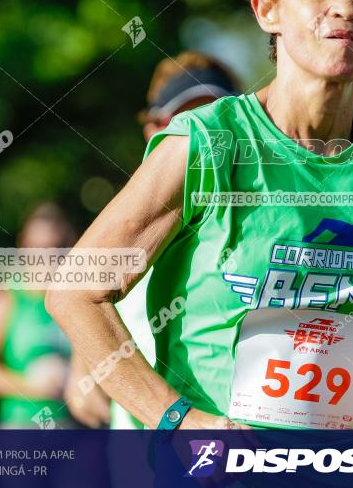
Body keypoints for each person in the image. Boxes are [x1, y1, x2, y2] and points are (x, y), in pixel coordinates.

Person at [47, 0, 353, 430]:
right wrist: (176, 418)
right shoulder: (207, 144)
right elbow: (76, 291)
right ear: (266, 9)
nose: (348, 8)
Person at [64, 51, 240, 429]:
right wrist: (169, 419)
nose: (200, 134)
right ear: (152, 129)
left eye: (214, 118)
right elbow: (81, 376)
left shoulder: (262, 223)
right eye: (184, 120)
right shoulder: (120, 230)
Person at [0, 203, 77, 428]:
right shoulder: (6, 297)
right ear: (22, 246)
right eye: (36, 247)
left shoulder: (75, 299)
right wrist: (33, 385)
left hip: (74, 427)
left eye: (54, 248)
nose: (44, 258)